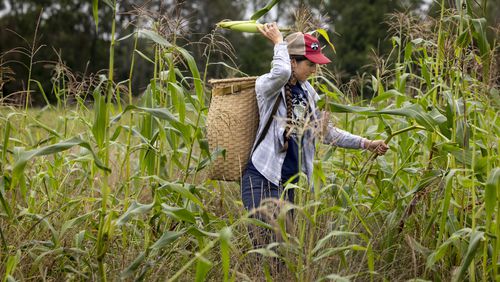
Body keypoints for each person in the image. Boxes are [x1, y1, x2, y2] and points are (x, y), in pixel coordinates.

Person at [241, 22, 389, 244]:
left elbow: (326, 133)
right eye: (310, 64)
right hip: (262, 177)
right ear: (293, 61)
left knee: (281, 250)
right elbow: (281, 71)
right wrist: (279, 42)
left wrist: (365, 143)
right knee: (263, 244)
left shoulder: (309, 93)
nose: (314, 70)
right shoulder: (268, 86)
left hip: (287, 184)